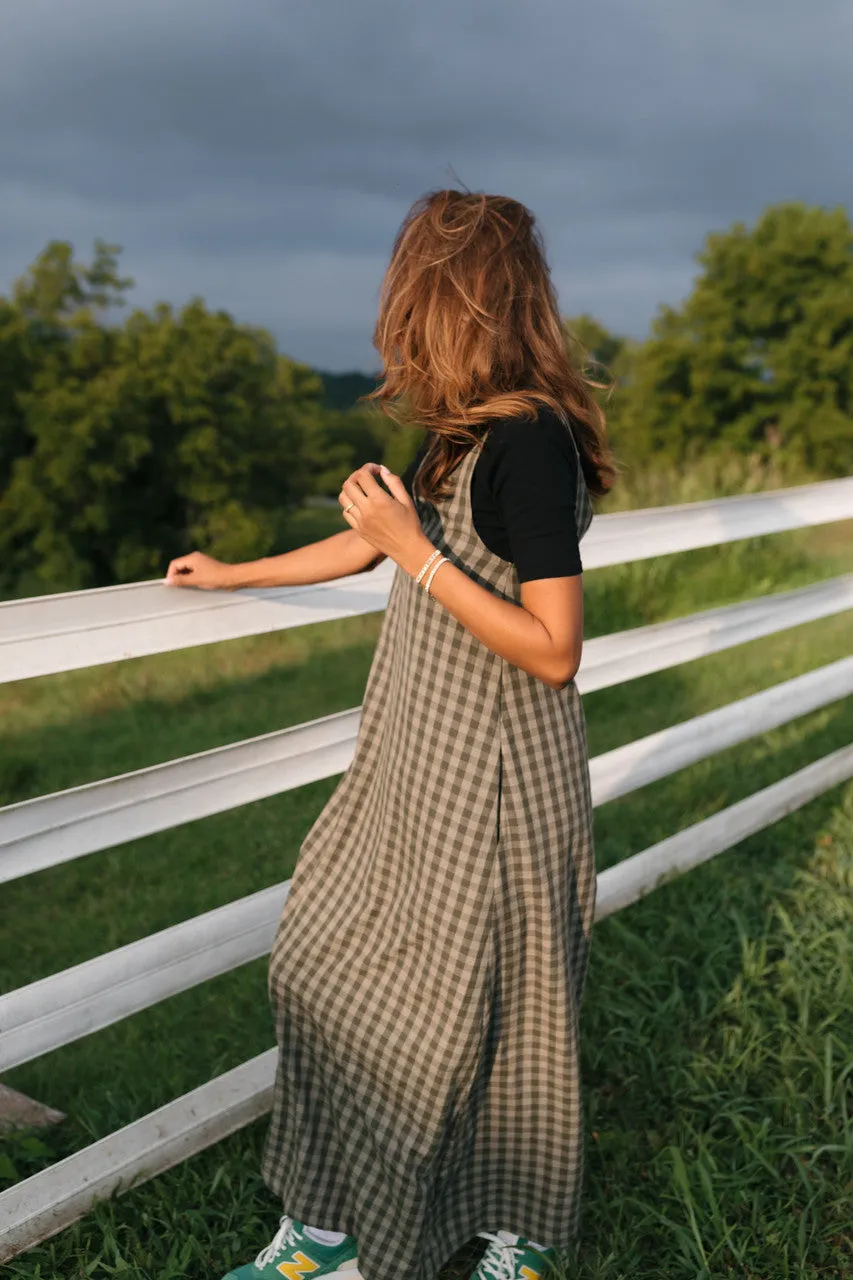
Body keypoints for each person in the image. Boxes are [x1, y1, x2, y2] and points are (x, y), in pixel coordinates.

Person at [165, 189, 616, 1280]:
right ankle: (328, 1227)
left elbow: (554, 646)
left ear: (451, 298)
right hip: (421, 766)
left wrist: (412, 549)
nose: (395, 315)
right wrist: (236, 572)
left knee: (500, 1018)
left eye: (409, 291)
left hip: (500, 778)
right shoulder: (459, 434)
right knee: (316, 959)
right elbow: (367, 548)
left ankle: (521, 1237)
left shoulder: (529, 445)